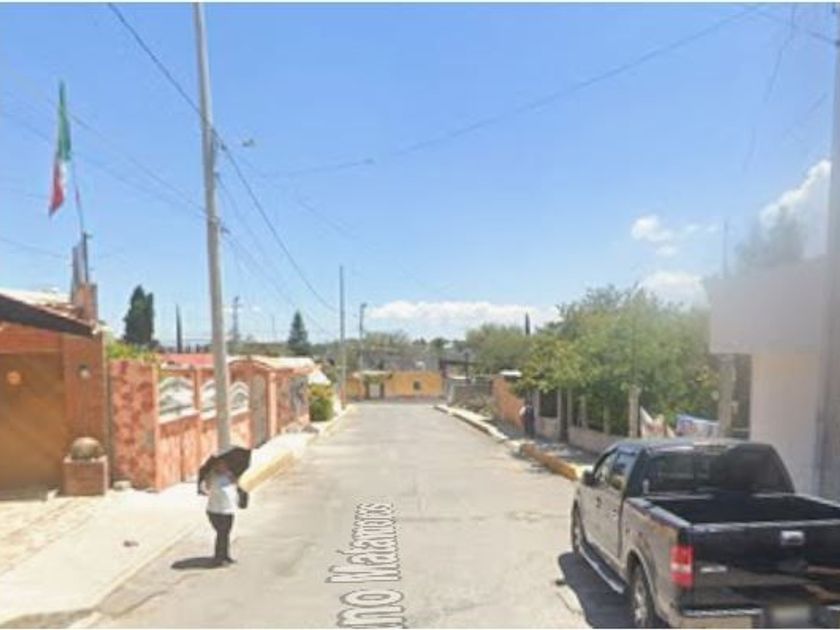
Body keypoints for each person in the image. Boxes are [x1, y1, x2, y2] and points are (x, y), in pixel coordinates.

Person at [201, 458, 238, 566]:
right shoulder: (212, 477)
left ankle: (225, 556)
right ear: (216, 466)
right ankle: (219, 558)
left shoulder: (229, 475)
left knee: (225, 534)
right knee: (221, 534)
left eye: (225, 464)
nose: (223, 466)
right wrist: (208, 477)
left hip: (228, 510)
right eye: (221, 464)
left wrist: (232, 478)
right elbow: (205, 488)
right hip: (215, 511)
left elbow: (235, 485)